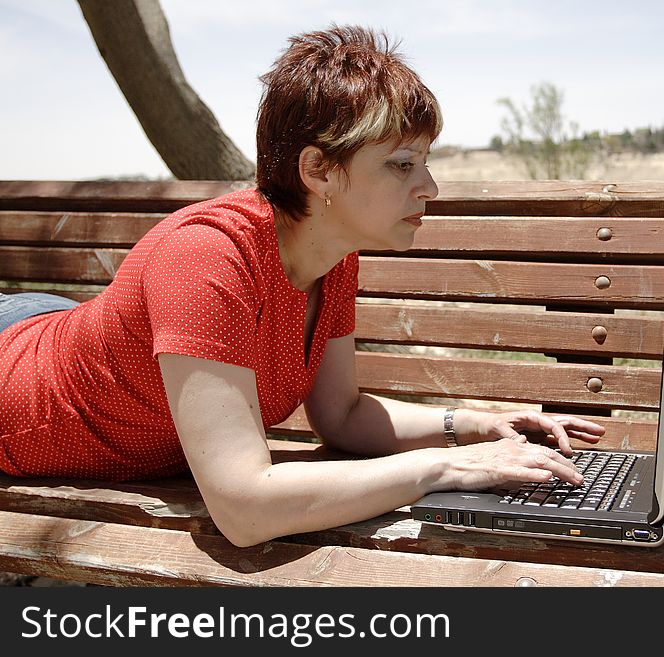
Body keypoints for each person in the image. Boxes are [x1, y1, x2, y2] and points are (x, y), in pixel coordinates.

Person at [0, 25, 604, 548]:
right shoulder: (208, 257)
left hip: (56, 331)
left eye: (425, 162)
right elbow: (244, 507)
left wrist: (477, 426)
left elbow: (340, 416)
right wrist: (451, 465)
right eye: (402, 164)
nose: (430, 188)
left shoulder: (332, 255)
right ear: (318, 170)